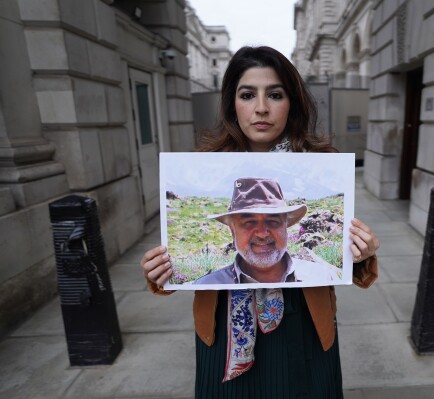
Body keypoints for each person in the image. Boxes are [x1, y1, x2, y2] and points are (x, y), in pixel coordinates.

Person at [140, 46, 380, 398]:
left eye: (276, 94)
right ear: (231, 104)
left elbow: (345, 261)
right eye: (248, 94)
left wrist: (362, 253)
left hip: (304, 326)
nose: (262, 108)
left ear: (292, 103)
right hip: (224, 331)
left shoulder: (320, 164)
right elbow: (182, 267)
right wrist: (163, 270)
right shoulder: (206, 165)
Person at [194, 177, 341, 284]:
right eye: (249, 222)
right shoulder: (208, 286)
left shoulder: (322, 276)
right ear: (233, 232)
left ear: (286, 227)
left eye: (273, 221)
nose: (262, 233)